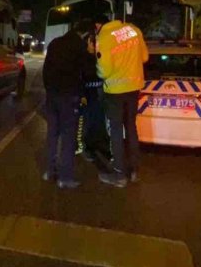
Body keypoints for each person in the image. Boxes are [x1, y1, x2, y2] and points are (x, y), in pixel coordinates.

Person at [95, 15, 149, 188]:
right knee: (131, 126)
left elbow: (104, 71)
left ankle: (119, 174)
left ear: (99, 24)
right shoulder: (134, 30)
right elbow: (145, 57)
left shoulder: (103, 36)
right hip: (134, 87)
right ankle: (133, 171)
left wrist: (98, 69)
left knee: (116, 130)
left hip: (115, 91)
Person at [42, 20, 89, 188]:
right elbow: (86, 72)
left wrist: (49, 89)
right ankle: (65, 178)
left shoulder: (55, 43)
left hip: (52, 95)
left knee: (52, 134)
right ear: (84, 34)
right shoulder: (80, 46)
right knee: (68, 137)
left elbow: (45, 69)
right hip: (69, 97)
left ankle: (49, 171)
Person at [76, 23, 110, 161]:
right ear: (89, 42)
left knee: (98, 122)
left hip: (98, 95)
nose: (96, 45)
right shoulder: (82, 58)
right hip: (87, 95)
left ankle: (97, 146)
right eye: (94, 42)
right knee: (86, 123)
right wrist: (81, 95)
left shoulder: (100, 56)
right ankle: (83, 146)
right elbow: (79, 77)